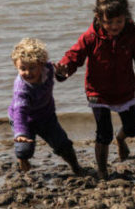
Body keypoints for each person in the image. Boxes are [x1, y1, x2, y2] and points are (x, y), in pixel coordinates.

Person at [55, 0, 135, 180]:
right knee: (104, 133)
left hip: (124, 90)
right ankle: (102, 172)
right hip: (97, 91)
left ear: (126, 17)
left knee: (134, 128)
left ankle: (121, 140)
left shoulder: (133, 35)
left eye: (118, 21)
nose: (114, 26)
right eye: (109, 22)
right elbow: (73, 56)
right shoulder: (90, 37)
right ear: (98, 18)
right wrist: (63, 70)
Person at [9, 38, 83, 175]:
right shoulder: (22, 89)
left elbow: (58, 77)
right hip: (25, 119)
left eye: (32, 68)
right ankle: (22, 158)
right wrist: (20, 133)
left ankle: (76, 167)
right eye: (22, 69)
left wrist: (61, 74)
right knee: (24, 149)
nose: (28, 73)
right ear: (16, 66)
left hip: (46, 116)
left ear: (41, 65)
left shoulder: (48, 69)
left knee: (63, 145)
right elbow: (20, 112)